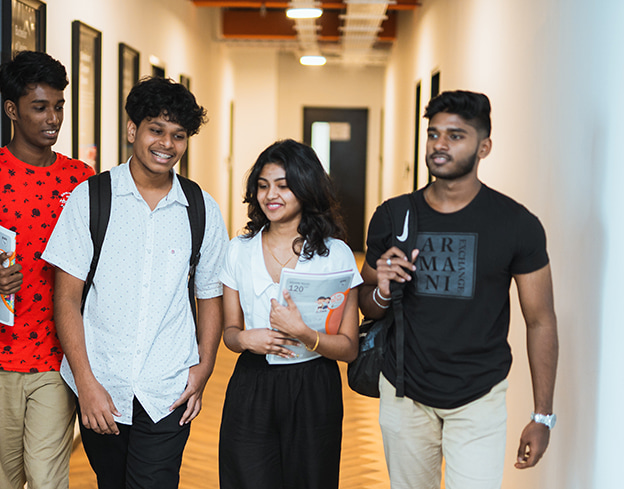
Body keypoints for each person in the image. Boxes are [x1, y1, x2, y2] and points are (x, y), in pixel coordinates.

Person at [358, 90, 559, 489]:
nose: (440, 145)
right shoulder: (394, 215)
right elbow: (367, 304)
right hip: (404, 393)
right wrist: (381, 288)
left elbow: (540, 321)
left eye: (455, 135)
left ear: (484, 146)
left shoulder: (516, 224)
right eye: (433, 134)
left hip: (478, 398)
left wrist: (542, 416)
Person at [43, 76, 227, 489]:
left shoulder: (201, 209)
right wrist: (86, 384)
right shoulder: (90, 199)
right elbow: (67, 299)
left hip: (168, 388)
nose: (166, 144)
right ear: (133, 130)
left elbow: (210, 295)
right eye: (156, 130)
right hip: (102, 385)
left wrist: (204, 369)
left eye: (178, 135)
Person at [0, 51, 95, 489]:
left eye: (59, 106)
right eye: (40, 107)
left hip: (55, 357)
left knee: (47, 478)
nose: (54, 118)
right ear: (12, 109)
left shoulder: (80, 179)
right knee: (5, 483)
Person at [218, 139, 362, 489]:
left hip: (314, 387)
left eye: (284, 186)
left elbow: (349, 348)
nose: (271, 195)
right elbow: (230, 332)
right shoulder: (238, 251)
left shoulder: (336, 255)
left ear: (306, 189)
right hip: (252, 384)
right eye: (263, 186)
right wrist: (243, 339)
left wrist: (304, 333)